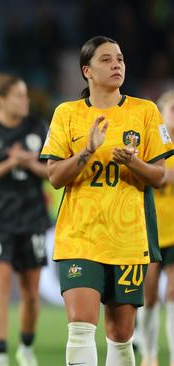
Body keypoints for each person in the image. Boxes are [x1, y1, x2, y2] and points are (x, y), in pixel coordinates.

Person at [40, 35, 174, 366]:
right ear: (86, 71)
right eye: (106, 59)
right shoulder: (67, 113)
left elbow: (159, 176)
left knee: (120, 334)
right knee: (81, 327)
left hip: (128, 238)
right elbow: (55, 176)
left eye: (120, 59)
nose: (117, 64)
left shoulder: (145, 111)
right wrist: (86, 151)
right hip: (80, 235)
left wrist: (133, 163)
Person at [0, 74, 50, 366]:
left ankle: (26, 347)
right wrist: (9, 163)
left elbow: (53, 173)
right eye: (18, 95)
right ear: (1, 99)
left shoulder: (38, 128)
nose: (25, 100)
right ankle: (0, 353)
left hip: (32, 217)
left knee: (30, 292)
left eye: (25, 94)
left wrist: (30, 163)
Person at [136, 90, 174, 366]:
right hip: (150, 231)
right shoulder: (151, 145)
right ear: (161, 113)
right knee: (148, 295)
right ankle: (149, 352)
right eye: (172, 109)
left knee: (173, 293)